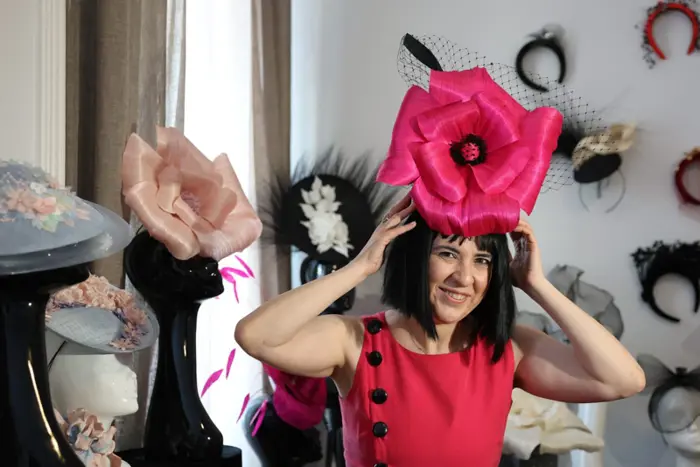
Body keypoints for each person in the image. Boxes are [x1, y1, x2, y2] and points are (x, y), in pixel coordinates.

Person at [235, 65, 645, 466]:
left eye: (482, 260)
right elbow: (255, 336)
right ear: (416, 256)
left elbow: (624, 380)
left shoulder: (506, 349)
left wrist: (537, 284)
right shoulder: (355, 341)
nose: (464, 277)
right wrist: (359, 267)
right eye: (448, 253)